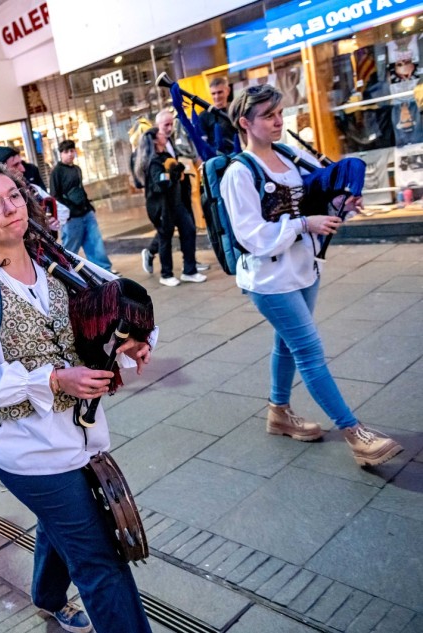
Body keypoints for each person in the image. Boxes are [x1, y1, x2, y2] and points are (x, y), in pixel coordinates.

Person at [0, 162, 153, 633]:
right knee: (101, 561)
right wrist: (56, 380)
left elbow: (120, 299)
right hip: (27, 451)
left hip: (80, 437)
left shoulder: (55, 263)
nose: (9, 208)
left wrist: (131, 341)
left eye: (14, 196)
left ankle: (47, 596)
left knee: (64, 521)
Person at [221, 84, 402, 466]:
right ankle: (355, 434)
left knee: (288, 344)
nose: (278, 121)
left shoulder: (291, 156)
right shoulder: (239, 173)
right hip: (269, 280)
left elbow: (317, 200)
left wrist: (342, 204)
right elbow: (251, 236)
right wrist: (304, 224)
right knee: (308, 351)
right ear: (245, 123)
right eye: (268, 115)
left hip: (304, 268)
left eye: (279, 113)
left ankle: (279, 413)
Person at [135, 127, 207, 287]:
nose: (164, 135)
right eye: (160, 134)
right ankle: (166, 274)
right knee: (165, 239)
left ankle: (190, 270)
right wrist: (173, 176)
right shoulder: (154, 162)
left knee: (189, 231)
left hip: (177, 203)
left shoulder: (167, 156)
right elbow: (159, 184)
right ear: (155, 140)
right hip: (162, 207)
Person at [48, 140, 116, 274]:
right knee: (70, 249)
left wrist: (89, 207)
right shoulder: (57, 172)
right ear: (61, 154)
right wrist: (68, 211)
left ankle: (104, 271)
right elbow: (55, 196)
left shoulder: (77, 169)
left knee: (95, 243)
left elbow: (80, 188)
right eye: (66, 151)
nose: (70, 154)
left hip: (86, 212)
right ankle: (66, 274)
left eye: (72, 151)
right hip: (72, 217)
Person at [0, 144, 68, 235]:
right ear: (1, 171)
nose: (23, 169)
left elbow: (63, 212)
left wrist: (50, 223)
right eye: (15, 165)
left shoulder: (32, 189)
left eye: (21, 163)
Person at [199, 77, 238, 155]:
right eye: (213, 93)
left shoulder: (236, 111)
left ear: (228, 91)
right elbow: (202, 142)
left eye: (220, 92)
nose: (216, 97)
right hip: (216, 157)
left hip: (237, 154)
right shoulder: (204, 116)